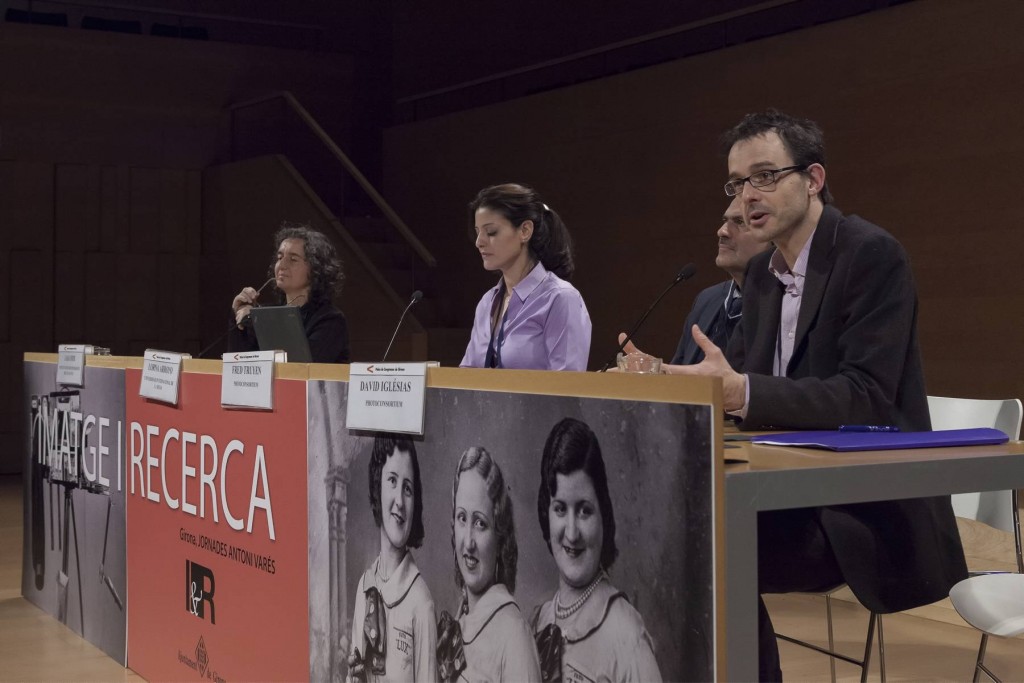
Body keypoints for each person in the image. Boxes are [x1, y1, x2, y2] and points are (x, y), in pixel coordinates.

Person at [649, 110, 967, 680]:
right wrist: (672, 383)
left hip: (859, 506)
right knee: (667, 530)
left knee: (707, 551)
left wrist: (739, 390)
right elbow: (745, 388)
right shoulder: (766, 277)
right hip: (782, 493)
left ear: (813, 179)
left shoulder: (871, 255)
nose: (748, 196)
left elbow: (865, 397)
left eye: (765, 176)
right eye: (738, 183)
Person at [532, 418, 662, 683]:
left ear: (604, 514)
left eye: (584, 511)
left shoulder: (626, 634)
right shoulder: (540, 619)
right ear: (546, 513)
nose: (571, 533)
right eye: (560, 508)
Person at [460, 183, 591, 371]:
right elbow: (466, 376)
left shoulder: (560, 298)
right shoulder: (487, 303)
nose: (479, 242)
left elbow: (567, 387)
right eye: (478, 232)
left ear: (525, 231)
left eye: (491, 232)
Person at [440, 446, 541, 682]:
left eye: (480, 523)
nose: (468, 542)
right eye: (462, 518)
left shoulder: (514, 636)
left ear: (500, 536)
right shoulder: (460, 622)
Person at [347, 435, 437, 682]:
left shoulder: (421, 603)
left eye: (407, 489)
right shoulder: (364, 587)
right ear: (377, 487)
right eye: (392, 481)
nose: (399, 501)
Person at [229, 223, 350, 363]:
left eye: (293, 259)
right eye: (280, 258)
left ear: (316, 269)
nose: (282, 265)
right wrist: (238, 314)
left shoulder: (331, 320)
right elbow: (237, 367)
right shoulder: (264, 315)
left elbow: (299, 366)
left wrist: (257, 321)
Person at [670, 199, 772, 365]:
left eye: (740, 222)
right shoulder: (708, 299)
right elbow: (681, 374)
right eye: (725, 221)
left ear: (772, 237)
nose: (722, 232)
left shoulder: (786, 302)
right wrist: (655, 373)